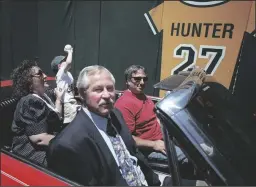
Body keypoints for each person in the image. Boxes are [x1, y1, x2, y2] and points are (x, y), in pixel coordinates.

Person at [47, 65, 169, 186]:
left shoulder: (115, 115)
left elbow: (133, 154)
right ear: (82, 94)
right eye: (98, 89)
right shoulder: (69, 145)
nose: (106, 95)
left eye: (110, 88)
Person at [114, 65, 186, 162]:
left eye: (145, 79)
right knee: (187, 158)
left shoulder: (144, 97)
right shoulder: (124, 104)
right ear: (127, 81)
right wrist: (154, 145)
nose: (142, 82)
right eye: (137, 79)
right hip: (148, 148)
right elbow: (126, 138)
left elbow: (155, 119)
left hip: (163, 139)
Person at [11, 59, 64, 167]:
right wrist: (69, 143)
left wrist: (59, 99)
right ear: (28, 81)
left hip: (48, 145)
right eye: (39, 74)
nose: (45, 76)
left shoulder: (44, 96)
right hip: (31, 154)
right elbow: (39, 139)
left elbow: (57, 116)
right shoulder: (29, 101)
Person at [51, 44, 80, 125]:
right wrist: (70, 52)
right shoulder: (61, 73)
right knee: (70, 126)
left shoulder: (66, 73)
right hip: (67, 103)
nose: (66, 60)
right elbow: (69, 62)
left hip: (71, 101)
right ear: (59, 66)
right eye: (64, 60)